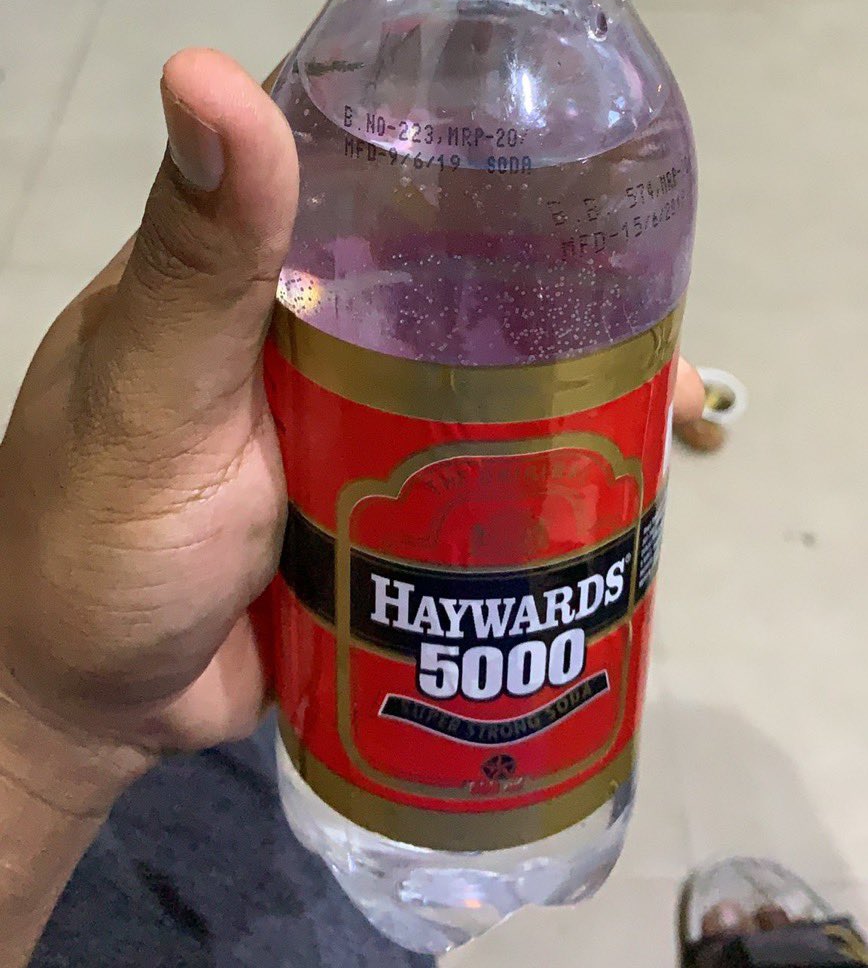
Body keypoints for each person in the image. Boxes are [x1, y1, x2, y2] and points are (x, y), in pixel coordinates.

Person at [0, 48, 725, 966]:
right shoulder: (348, 100)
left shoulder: (614, 109)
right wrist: (39, 706)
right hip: (350, 817)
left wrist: (42, 721)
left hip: (454, 795)